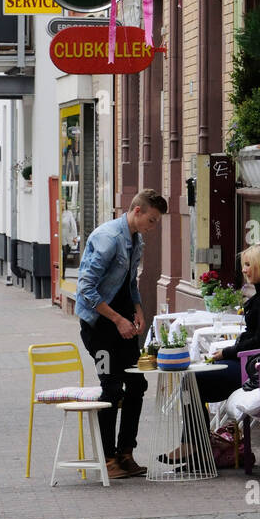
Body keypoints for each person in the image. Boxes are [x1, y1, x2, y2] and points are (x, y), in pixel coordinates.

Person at [75, 189, 168, 480]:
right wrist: (117, 319)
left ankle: (126, 453)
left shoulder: (135, 239)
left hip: (123, 325)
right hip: (99, 328)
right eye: (151, 220)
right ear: (137, 211)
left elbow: (129, 282)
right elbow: (85, 290)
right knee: (112, 388)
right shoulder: (108, 239)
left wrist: (138, 310)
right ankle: (107, 458)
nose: (152, 227)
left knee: (137, 384)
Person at [198, 243, 260, 407]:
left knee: (194, 380)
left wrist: (226, 353)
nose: (243, 270)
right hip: (256, 363)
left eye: (248, 264)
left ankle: (197, 434)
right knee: (193, 380)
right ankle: (197, 433)